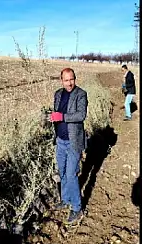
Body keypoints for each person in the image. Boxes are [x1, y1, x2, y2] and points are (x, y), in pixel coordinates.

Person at [49, 68, 88, 223]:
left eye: (71, 79)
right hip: (60, 140)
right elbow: (56, 112)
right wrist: (51, 117)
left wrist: (62, 116)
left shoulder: (81, 94)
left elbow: (81, 115)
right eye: (66, 80)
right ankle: (65, 200)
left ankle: (77, 208)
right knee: (63, 172)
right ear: (61, 80)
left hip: (73, 141)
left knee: (71, 175)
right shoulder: (58, 94)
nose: (69, 83)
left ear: (74, 79)